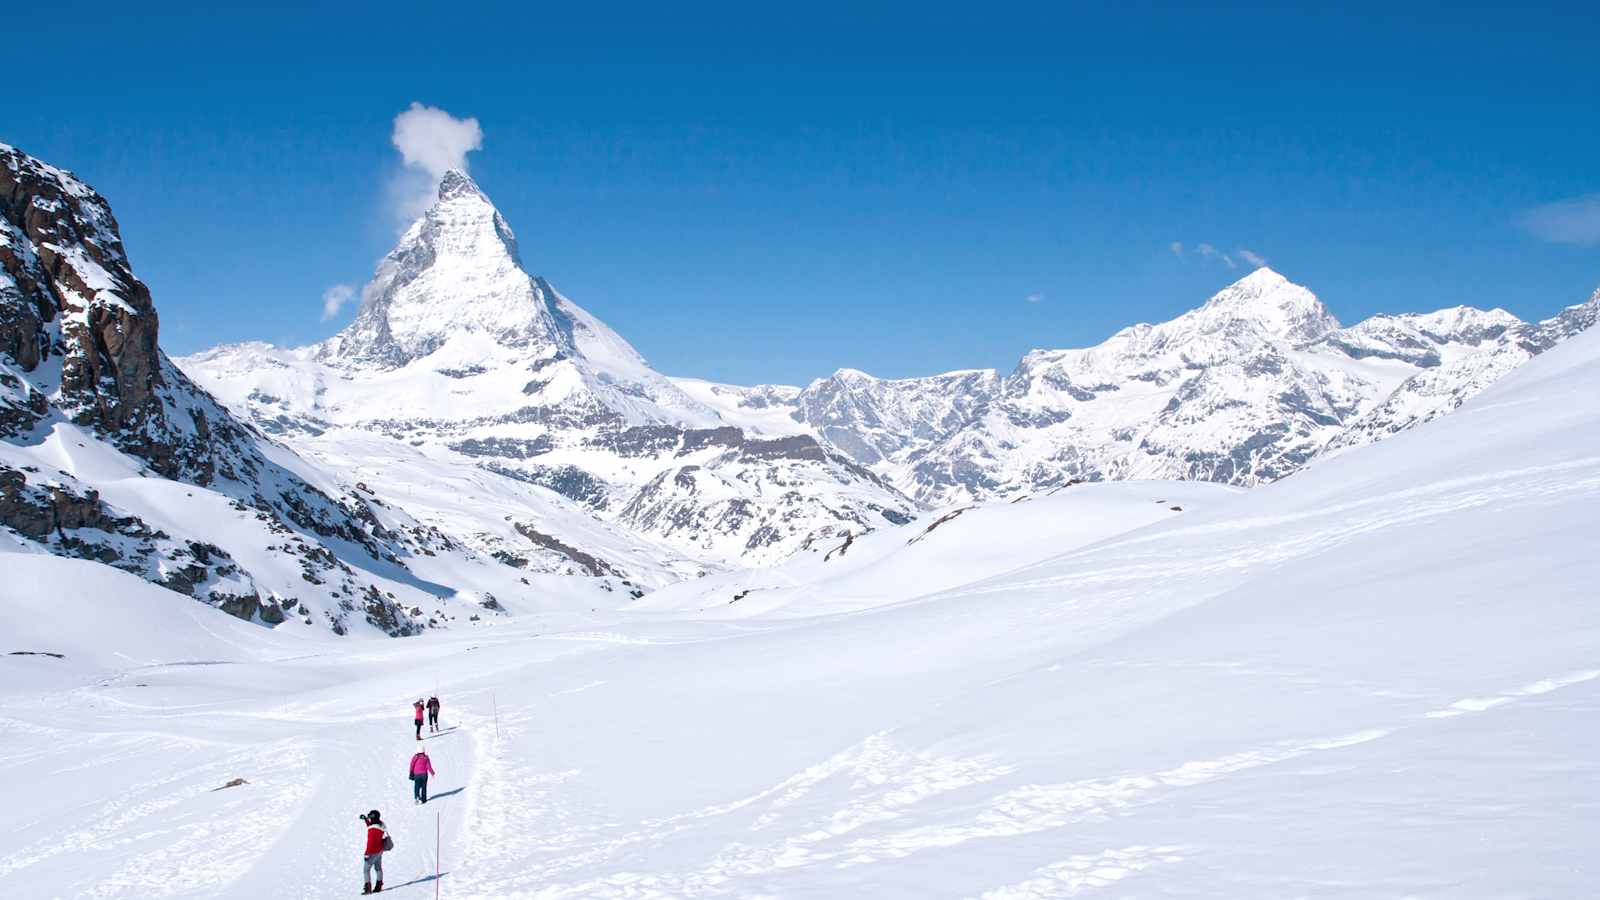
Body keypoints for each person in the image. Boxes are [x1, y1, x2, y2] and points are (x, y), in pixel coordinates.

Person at [360, 809, 387, 894]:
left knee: (366, 870)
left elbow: (370, 843)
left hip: (373, 852)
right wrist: (365, 819)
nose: (369, 819)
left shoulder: (373, 830)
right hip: (380, 850)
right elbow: (371, 825)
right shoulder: (381, 824)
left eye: (370, 817)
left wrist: (367, 854)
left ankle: (368, 889)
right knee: (378, 868)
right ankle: (379, 886)